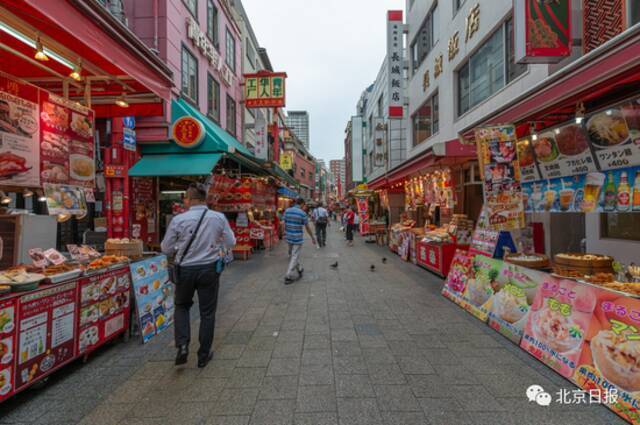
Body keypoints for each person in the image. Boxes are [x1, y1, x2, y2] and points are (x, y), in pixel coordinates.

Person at [161, 183, 236, 368]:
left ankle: (183, 346)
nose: (184, 201)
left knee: (182, 306)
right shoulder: (218, 217)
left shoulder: (179, 219)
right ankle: (203, 355)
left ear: (191, 199)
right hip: (209, 269)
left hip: (185, 269)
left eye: (185, 198)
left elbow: (165, 248)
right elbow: (231, 241)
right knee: (207, 313)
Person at [284, 198, 316, 284]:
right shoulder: (302, 213)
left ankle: (300, 268)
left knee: (293, 255)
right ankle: (288, 275)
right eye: (304, 205)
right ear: (302, 204)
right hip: (297, 237)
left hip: (288, 236)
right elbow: (307, 227)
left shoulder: (287, 211)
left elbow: (284, 223)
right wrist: (312, 237)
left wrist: (284, 233)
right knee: (294, 256)